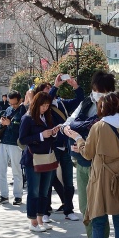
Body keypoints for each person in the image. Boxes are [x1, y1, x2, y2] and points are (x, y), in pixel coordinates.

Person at [64, 92, 119, 238]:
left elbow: (88, 153)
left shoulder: (99, 127)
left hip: (102, 175)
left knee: (98, 218)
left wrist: (78, 139)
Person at [65, 71, 114, 238]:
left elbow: (110, 137)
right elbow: (69, 123)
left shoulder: (113, 108)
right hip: (82, 161)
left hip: (100, 164)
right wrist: (76, 138)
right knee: (85, 206)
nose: (97, 94)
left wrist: (84, 143)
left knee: (98, 206)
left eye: (101, 91)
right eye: (95, 90)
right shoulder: (86, 102)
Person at [43, 78, 83, 221]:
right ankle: (46, 211)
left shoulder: (62, 103)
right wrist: (55, 86)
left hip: (65, 146)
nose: (49, 92)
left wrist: (75, 86)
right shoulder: (43, 108)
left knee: (68, 181)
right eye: (46, 90)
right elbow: (46, 101)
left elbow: (80, 100)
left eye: (50, 89)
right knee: (48, 180)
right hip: (51, 147)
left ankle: (69, 209)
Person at [20, 91, 59, 232]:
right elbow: (23, 139)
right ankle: (33, 222)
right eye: (43, 105)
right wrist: (41, 135)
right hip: (33, 159)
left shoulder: (47, 117)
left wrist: (53, 133)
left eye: (47, 105)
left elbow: (51, 138)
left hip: (47, 158)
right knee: (34, 191)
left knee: (44, 191)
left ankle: (41, 219)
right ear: (36, 104)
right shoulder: (28, 118)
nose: (45, 108)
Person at [0, 90, 27, 205]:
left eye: (15, 103)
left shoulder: (24, 110)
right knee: (0, 170)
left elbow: (23, 129)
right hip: (4, 141)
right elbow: (1, 125)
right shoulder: (8, 109)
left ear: (20, 100)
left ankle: (18, 195)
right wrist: (2, 122)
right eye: (11, 103)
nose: (13, 106)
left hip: (15, 143)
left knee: (16, 170)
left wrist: (10, 124)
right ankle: (4, 195)